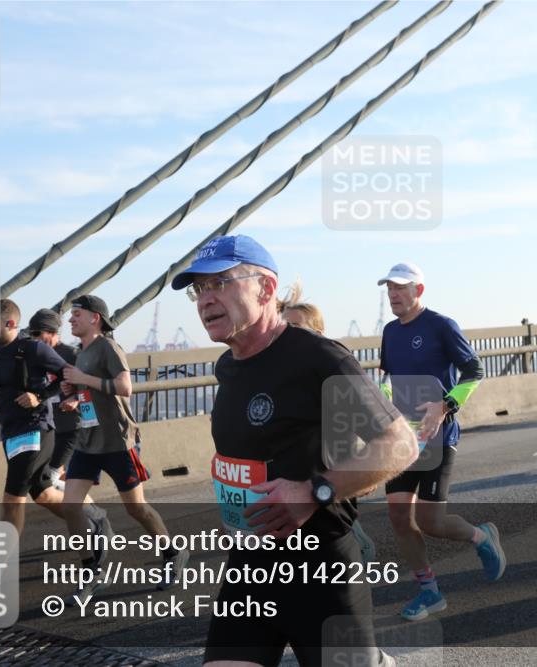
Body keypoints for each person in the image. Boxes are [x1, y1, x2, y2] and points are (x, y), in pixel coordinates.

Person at [171, 234, 416, 667]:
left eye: (220, 283)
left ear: (266, 289)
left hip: (320, 571)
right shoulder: (227, 367)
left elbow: (400, 445)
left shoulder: (319, 358)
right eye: (199, 289)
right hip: (249, 565)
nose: (205, 299)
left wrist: (314, 491)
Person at [376, 261, 504, 622]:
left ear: (419, 290)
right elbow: (389, 377)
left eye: (400, 288)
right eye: (389, 289)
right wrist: (383, 397)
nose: (393, 294)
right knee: (399, 516)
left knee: (431, 521)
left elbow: (475, 370)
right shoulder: (389, 331)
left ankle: (481, 537)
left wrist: (444, 405)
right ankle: (429, 591)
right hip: (403, 439)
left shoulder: (441, 326)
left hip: (438, 436)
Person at [58, 294, 187, 599]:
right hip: (88, 442)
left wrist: (83, 379)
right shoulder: (81, 352)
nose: (71, 319)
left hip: (118, 441)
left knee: (136, 508)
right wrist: (74, 394)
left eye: (77, 314)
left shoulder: (108, 347)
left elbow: (125, 387)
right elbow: (91, 393)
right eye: (71, 314)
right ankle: (91, 570)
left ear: (95, 318)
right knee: (69, 506)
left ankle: (172, 553)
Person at [0, 299, 109, 540]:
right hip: (10, 430)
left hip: (37, 430)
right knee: (44, 495)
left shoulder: (33, 349)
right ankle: (93, 525)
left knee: (12, 501)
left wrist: (40, 396)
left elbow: (70, 375)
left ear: (10, 324)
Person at [277, 282, 378, 563]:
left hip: (326, 487)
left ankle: (356, 547)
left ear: (318, 334)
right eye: (285, 327)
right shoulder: (278, 373)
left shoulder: (333, 375)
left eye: (297, 327)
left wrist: (365, 473)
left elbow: (375, 436)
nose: (289, 335)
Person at [27, 308, 83, 482]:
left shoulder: (72, 355)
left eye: (37, 333)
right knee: (55, 480)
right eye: (31, 334)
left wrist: (76, 399)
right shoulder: (33, 354)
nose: (34, 338)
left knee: (51, 477)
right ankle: (83, 509)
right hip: (48, 428)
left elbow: (91, 385)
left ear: (52, 332)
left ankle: (88, 510)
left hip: (71, 427)